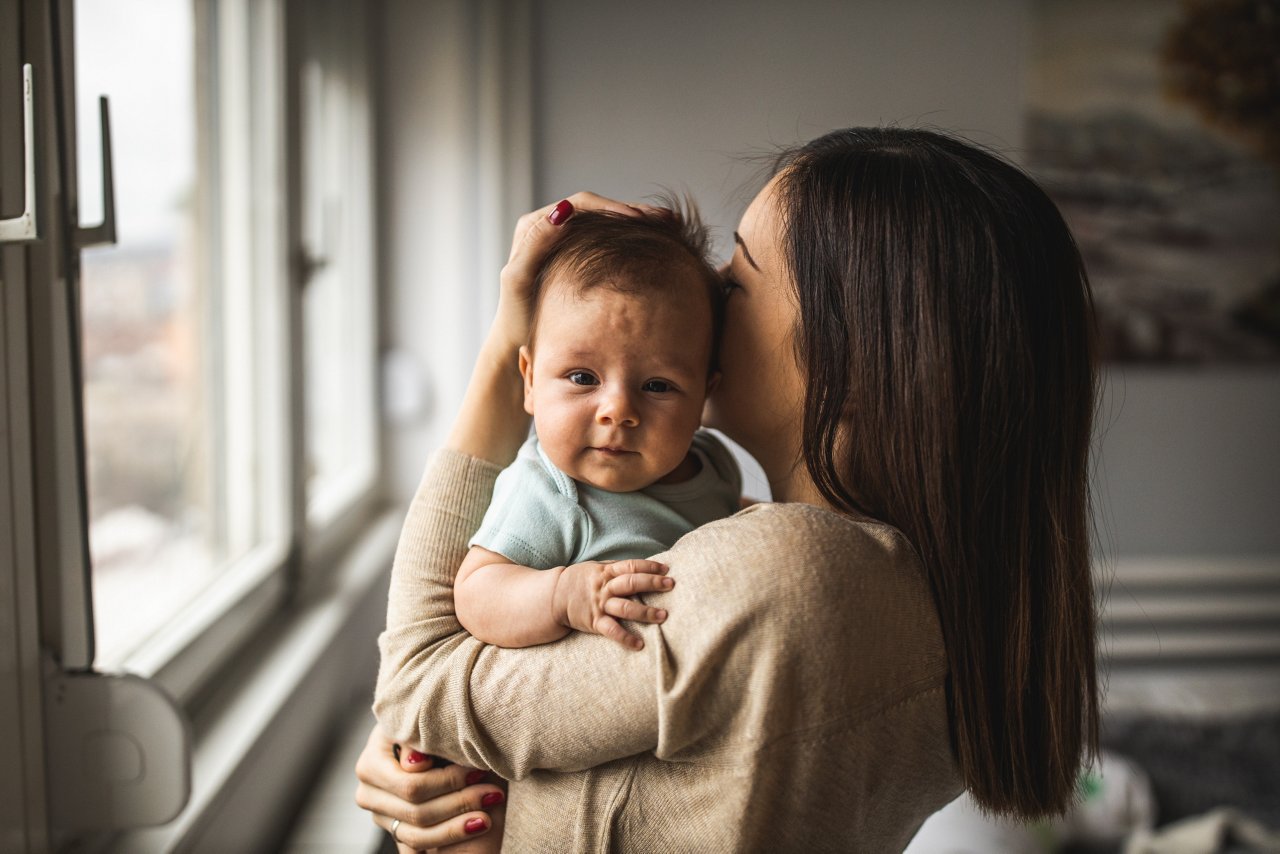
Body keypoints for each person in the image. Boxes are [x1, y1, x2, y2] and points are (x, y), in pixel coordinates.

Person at [354, 127, 1101, 853]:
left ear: (856, 364)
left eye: (737, 280)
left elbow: (417, 681)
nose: (704, 292)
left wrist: (507, 341)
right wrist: (448, 762)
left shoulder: (787, 576)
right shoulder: (901, 584)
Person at [456, 206, 741, 652]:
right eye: (583, 378)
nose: (618, 410)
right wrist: (563, 595)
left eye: (657, 386)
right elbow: (477, 592)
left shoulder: (713, 463)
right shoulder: (549, 492)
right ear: (529, 380)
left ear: (704, 395)